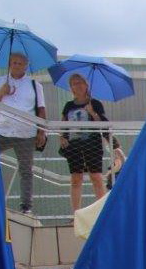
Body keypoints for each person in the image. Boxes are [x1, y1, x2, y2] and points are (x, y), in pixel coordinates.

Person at [0, 53, 46, 215]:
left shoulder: (35, 85)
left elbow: (41, 109)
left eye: (20, 63)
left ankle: (26, 206)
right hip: (1, 130)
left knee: (26, 170)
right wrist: (1, 92)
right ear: (9, 64)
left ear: (26, 66)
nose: (17, 65)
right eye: (14, 62)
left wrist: (42, 131)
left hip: (26, 132)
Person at [59, 74, 114, 212]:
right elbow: (63, 123)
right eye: (74, 83)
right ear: (71, 88)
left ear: (86, 85)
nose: (78, 86)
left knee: (95, 176)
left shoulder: (95, 103)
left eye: (80, 83)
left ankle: (102, 211)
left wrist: (92, 113)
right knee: (76, 178)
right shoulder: (68, 105)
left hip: (92, 143)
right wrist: (62, 137)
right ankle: (76, 213)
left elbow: (102, 124)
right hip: (74, 145)